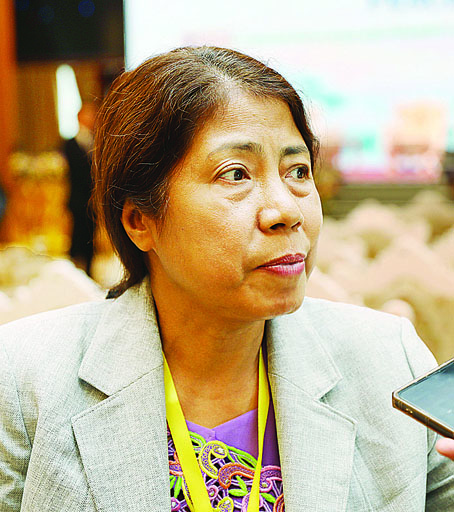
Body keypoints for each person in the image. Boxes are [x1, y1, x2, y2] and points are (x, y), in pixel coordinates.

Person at [1, 46, 454, 511]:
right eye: (235, 174)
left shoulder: (387, 363)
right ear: (140, 221)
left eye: (298, 171)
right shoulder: (25, 383)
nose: (287, 210)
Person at [63, 102, 97, 276]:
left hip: (91, 199)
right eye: (88, 115)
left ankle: (89, 271)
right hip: (77, 198)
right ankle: (74, 271)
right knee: (77, 235)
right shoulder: (70, 144)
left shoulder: (95, 141)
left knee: (90, 236)